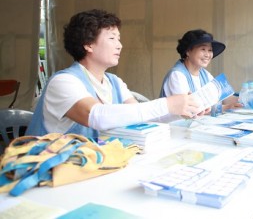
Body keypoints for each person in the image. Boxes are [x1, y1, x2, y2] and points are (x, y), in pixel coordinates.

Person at [27, 9, 202, 138]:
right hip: (48, 176)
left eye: (119, 39)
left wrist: (181, 110)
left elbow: (141, 118)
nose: (120, 45)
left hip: (89, 169)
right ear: (88, 44)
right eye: (112, 38)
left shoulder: (114, 82)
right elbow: (95, 116)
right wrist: (167, 104)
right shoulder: (63, 82)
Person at [159, 29, 242, 114]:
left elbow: (222, 97)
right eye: (203, 49)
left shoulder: (205, 74)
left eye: (210, 50)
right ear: (188, 51)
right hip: (175, 125)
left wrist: (245, 98)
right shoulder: (177, 75)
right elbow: (189, 109)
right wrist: (226, 107)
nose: (207, 55)